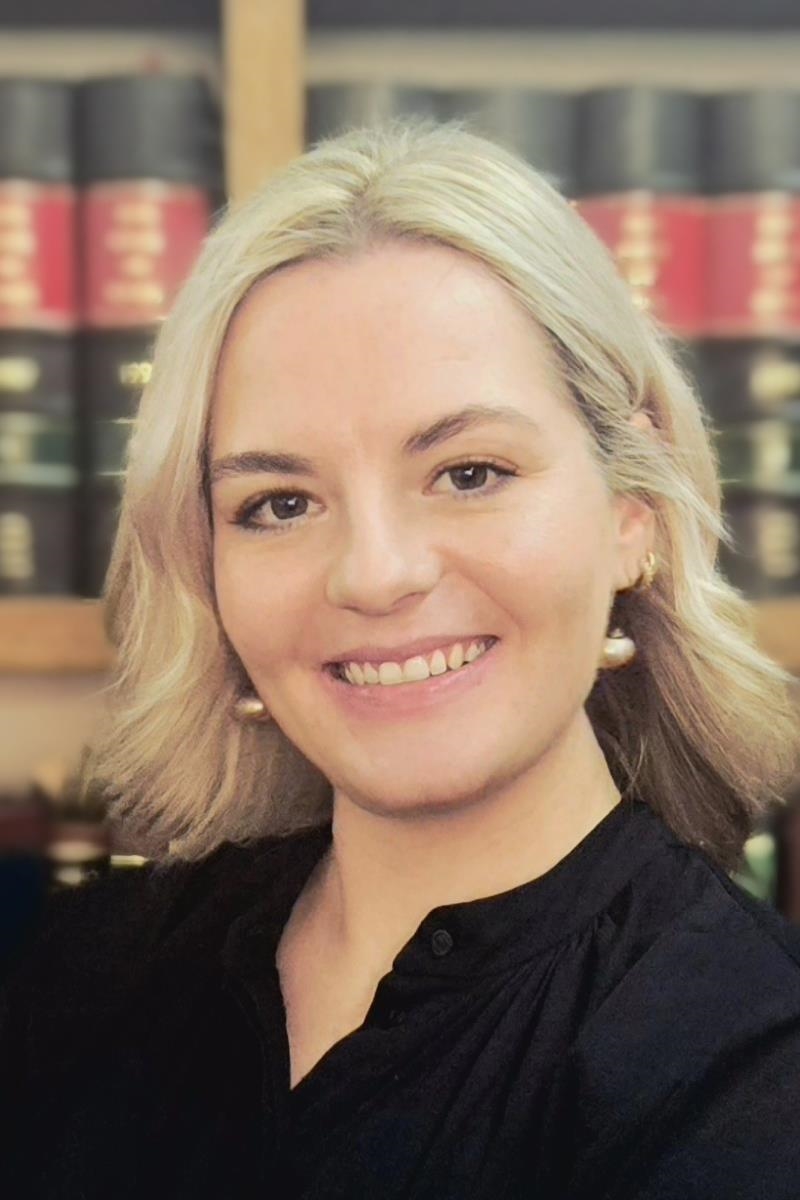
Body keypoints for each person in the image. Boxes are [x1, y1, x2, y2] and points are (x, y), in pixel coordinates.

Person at [3, 118, 800, 1199]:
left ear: (632, 514)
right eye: (279, 503)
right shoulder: (83, 978)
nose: (374, 576)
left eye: (469, 473)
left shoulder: (751, 1073)